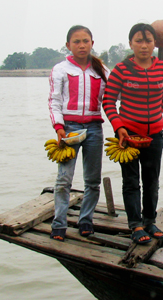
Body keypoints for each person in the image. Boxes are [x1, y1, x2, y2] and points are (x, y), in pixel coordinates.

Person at [102, 23, 163, 244]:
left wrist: (153, 115)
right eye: (138, 41)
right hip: (128, 136)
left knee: (152, 180)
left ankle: (150, 221)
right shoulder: (121, 70)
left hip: (154, 136)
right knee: (131, 181)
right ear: (131, 43)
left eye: (148, 41)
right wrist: (120, 126)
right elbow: (108, 101)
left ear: (154, 43)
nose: (144, 46)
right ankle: (135, 225)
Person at [48, 25, 110, 242]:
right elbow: (54, 101)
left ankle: (86, 220)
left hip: (94, 128)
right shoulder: (61, 69)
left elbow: (112, 99)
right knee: (63, 179)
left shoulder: (101, 70)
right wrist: (59, 128)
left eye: (86, 41)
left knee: (92, 180)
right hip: (70, 128)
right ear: (68, 45)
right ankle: (59, 224)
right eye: (77, 41)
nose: (82, 45)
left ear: (92, 43)